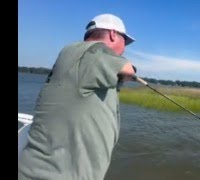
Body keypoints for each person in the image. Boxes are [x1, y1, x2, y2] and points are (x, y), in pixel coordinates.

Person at [18, 13, 137, 180]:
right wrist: (129, 72)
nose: (125, 48)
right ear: (112, 34)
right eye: (124, 41)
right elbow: (128, 69)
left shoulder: (87, 64)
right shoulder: (84, 50)